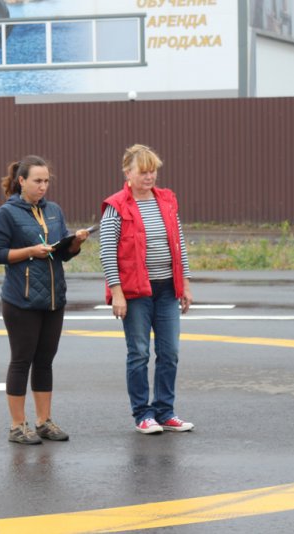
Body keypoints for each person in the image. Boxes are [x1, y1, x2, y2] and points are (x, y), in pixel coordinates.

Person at [0, 155, 90, 445]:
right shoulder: (7, 213)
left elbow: (60, 254)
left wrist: (75, 244)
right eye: (37, 181)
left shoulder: (54, 210)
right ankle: (17, 426)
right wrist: (31, 250)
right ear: (22, 181)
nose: (43, 186)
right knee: (21, 361)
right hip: (21, 300)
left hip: (53, 301)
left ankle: (44, 421)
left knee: (45, 362)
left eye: (46, 181)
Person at [99, 144, 195, 435]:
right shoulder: (116, 206)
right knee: (138, 353)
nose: (149, 176)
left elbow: (178, 245)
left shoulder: (166, 201)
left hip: (167, 290)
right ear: (127, 172)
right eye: (143, 171)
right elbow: (107, 251)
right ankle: (143, 414)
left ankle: (165, 412)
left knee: (170, 353)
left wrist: (186, 284)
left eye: (153, 170)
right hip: (136, 293)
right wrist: (117, 292)